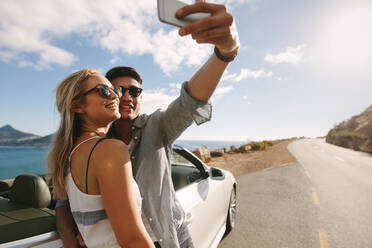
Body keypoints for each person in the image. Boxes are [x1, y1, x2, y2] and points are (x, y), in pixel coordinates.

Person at [56, 1, 240, 248]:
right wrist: (71, 238)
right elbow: (64, 200)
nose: (125, 96)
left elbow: (190, 100)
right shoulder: (92, 145)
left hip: (169, 237)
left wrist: (224, 53)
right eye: (115, 90)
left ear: (141, 97)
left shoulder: (158, 126)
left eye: (135, 91)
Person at [48, 68, 155, 248]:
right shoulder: (109, 150)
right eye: (104, 90)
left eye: (115, 90)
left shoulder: (71, 155)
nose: (115, 96)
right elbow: (132, 240)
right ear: (77, 105)